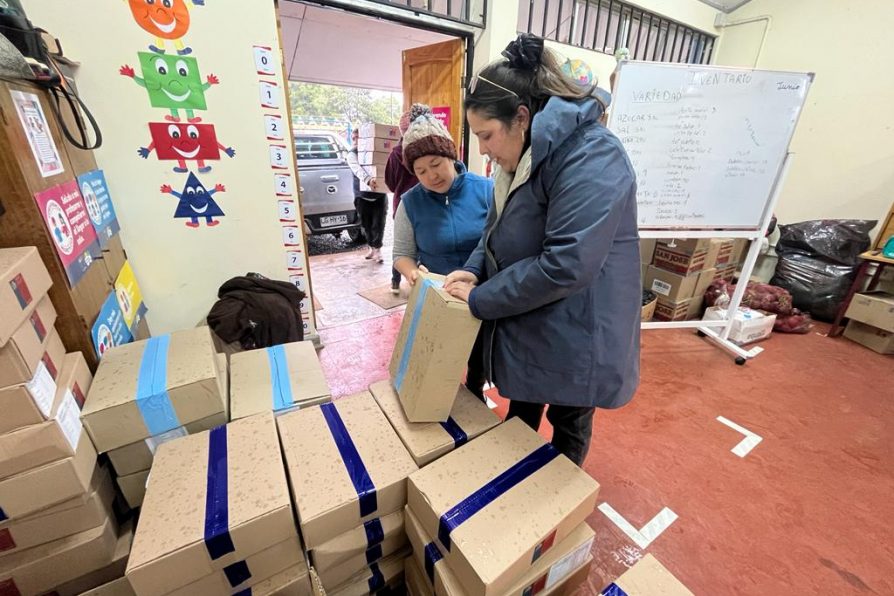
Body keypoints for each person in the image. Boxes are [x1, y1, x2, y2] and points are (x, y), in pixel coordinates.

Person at [444, 33, 641, 466]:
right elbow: (497, 229)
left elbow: (567, 263)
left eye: (487, 135)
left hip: (579, 325)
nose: (482, 149)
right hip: (537, 316)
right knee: (523, 411)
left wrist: (481, 300)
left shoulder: (592, 155)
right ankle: (515, 493)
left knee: (568, 423)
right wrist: (476, 268)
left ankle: (553, 514)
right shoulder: (522, 155)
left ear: (521, 117)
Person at [393, 113, 493, 400]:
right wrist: (412, 272)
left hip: (482, 295)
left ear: (451, 155)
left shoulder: (486, 190)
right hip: (441, 298)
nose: (431, 176)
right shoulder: (411, 203)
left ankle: (476, 393)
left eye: (435, 164)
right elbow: (402, 253)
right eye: (421, 171)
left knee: (480, 359)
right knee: (439, 361)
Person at [385, 103, 432, 294]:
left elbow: (390, 182)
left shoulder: (396, 154)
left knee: (405, 246)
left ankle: (396, 282)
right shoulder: (398, 154)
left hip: (408, 203)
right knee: (404, 248)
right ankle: (400, 280)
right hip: (410, 206)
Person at [346, 127, 387, 263]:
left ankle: (377, 250)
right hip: (361, 196)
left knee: (379, 223)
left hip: (379, 195)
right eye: (353, 138)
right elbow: (357, 169)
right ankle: (371, 247)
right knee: (366, 224)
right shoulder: (351, 154)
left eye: (358, 138)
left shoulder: (376, 152)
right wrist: (368, 180)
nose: (355, 141)